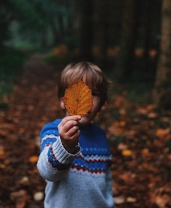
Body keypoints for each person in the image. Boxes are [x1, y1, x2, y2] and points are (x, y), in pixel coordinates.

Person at [37, 62, 114, 208]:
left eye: (94, 94)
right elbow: (48, 172)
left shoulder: (101, 136)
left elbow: (106, 179)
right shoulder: (53, 131)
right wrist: (65, 145)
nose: (86, 99)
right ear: (63, 101)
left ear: (101, 104)